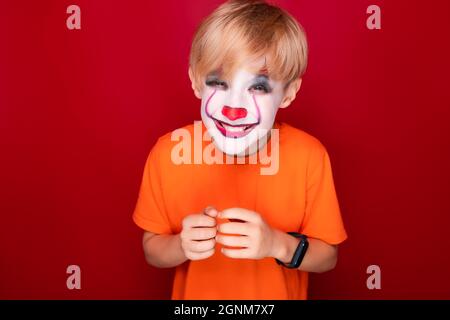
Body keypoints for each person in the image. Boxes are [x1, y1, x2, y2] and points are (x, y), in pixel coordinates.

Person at [132, 0, 347, 299]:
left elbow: (328, 257)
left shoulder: (309, 156)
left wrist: (276, 244)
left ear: (289, 93)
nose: (234, 107)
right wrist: (180, 245)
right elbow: (152, 252)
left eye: (258, 87)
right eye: (219, 82)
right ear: (196, 81)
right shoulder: (168, 153)